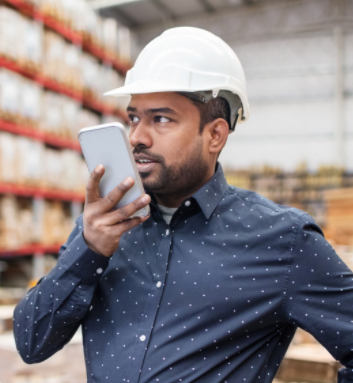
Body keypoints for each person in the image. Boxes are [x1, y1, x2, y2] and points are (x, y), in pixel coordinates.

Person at [13, 27, 353, 383]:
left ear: (215, 135)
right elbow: (31, 343)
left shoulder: (283, 240)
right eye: (134, 118)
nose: (137, 137)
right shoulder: (102, 229)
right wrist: (88, 251)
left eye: (161, 119)